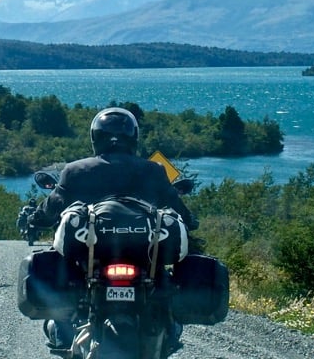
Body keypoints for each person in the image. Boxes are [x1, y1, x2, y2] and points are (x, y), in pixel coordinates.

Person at [29, 107, 198, 353]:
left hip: (91, 258)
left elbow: (53, 205)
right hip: (144, 259)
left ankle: (64, 333)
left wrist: (37, 218)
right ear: (133, 137)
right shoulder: (153, 170)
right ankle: (168, 329)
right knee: (163, 282)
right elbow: (177, 208)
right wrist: (191, 220)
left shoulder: (76, 170)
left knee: (64, 275)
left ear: (95, 137)